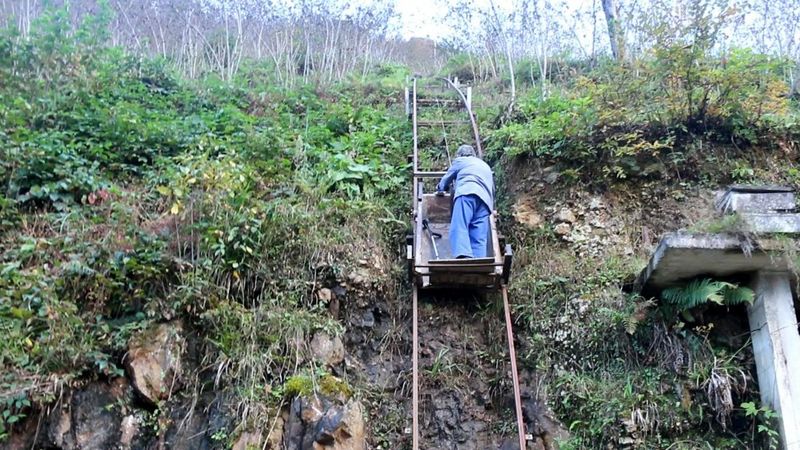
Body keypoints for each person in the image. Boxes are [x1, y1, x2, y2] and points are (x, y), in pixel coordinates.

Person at [435, 144, 495, 258]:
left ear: (460, 154)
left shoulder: (461, 161)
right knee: (478, 232)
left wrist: (440, 188)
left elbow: (446, 179)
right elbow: (492, 189)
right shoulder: (485, 165)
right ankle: (479, 259)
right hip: (485, 201)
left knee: (460, 224)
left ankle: (463, 255)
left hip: (467, 193)